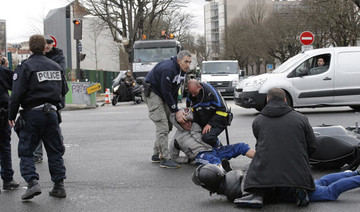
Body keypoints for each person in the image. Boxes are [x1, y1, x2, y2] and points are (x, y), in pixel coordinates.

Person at [8, 34, 68, 200]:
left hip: (32, 113)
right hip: (52, 114)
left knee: (26, 151)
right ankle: (59, 186)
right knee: (55, 151)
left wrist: (11, 115)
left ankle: (32, 183)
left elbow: (17, 94)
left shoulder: (25, 66)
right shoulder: (55, 66)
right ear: (44, 47)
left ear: (29, 48)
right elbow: (64, 90)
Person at [236, 87, 317, 207]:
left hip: (265, 174)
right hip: (298, 173)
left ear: (267, 100)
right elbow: (313, 146)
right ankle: (299, 189)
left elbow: (261, 148)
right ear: (285, 100)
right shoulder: (301, 119)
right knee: (295, 164)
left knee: (251, 166)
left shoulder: (259, 120)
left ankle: (257, 195)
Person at [193, 164, 360, 207]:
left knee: (330, 192)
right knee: (321, 181)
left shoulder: (232, 192)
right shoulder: (231, 175)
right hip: (284, 179)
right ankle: (354, 173)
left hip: (286, 190)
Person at [143, 50, 191, 168]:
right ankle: (164, 158)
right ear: (178, 61)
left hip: (163, 94)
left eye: (190, 62)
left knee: (168, 125)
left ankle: (156, 154)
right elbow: (166, 91)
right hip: (154, 93)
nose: (188, 65)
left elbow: (174, 91)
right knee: (162, 126)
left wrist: (175, 110)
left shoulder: (182, 70)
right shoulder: (169, 69)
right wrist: (175, 110)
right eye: (186, 62)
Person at [169, 110, 254, 169]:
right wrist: (189, 160)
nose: (189, 123)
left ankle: (262, 160)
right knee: (214, 160)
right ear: (178, 123)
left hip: (214, 150)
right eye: (185, 121)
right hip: (201, 155)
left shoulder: (196, 125)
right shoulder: (176, 140)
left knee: (240, 146)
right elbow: (174, 158)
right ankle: (226, 175)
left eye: (190, 121)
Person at [33, 35, 67, 164]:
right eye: (45, 43)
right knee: (38, 126)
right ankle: (37, 154)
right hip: (41, 96)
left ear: (53, 44)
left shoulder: (58, 56)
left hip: (54, 96)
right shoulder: (38, 58)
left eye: (49, 43)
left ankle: (58, 148)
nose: (47, 45)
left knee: (54, 125)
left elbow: (61, 72)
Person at [186, 79, 229, 147]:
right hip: (203, 118)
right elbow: (189, 108)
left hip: (218, 120)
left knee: (207, 137)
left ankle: (220, 147)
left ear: (199, 87)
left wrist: (210, 124)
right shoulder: (191, 93)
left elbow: (223, 110)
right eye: (191, 93)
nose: (193, 95)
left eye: (195, 93)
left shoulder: (211, 93)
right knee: (192, 136)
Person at [0, 57, 20, 193]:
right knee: (4, 147)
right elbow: (16, 86)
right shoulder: (2, 71)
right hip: (1, 114)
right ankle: (7, 179)